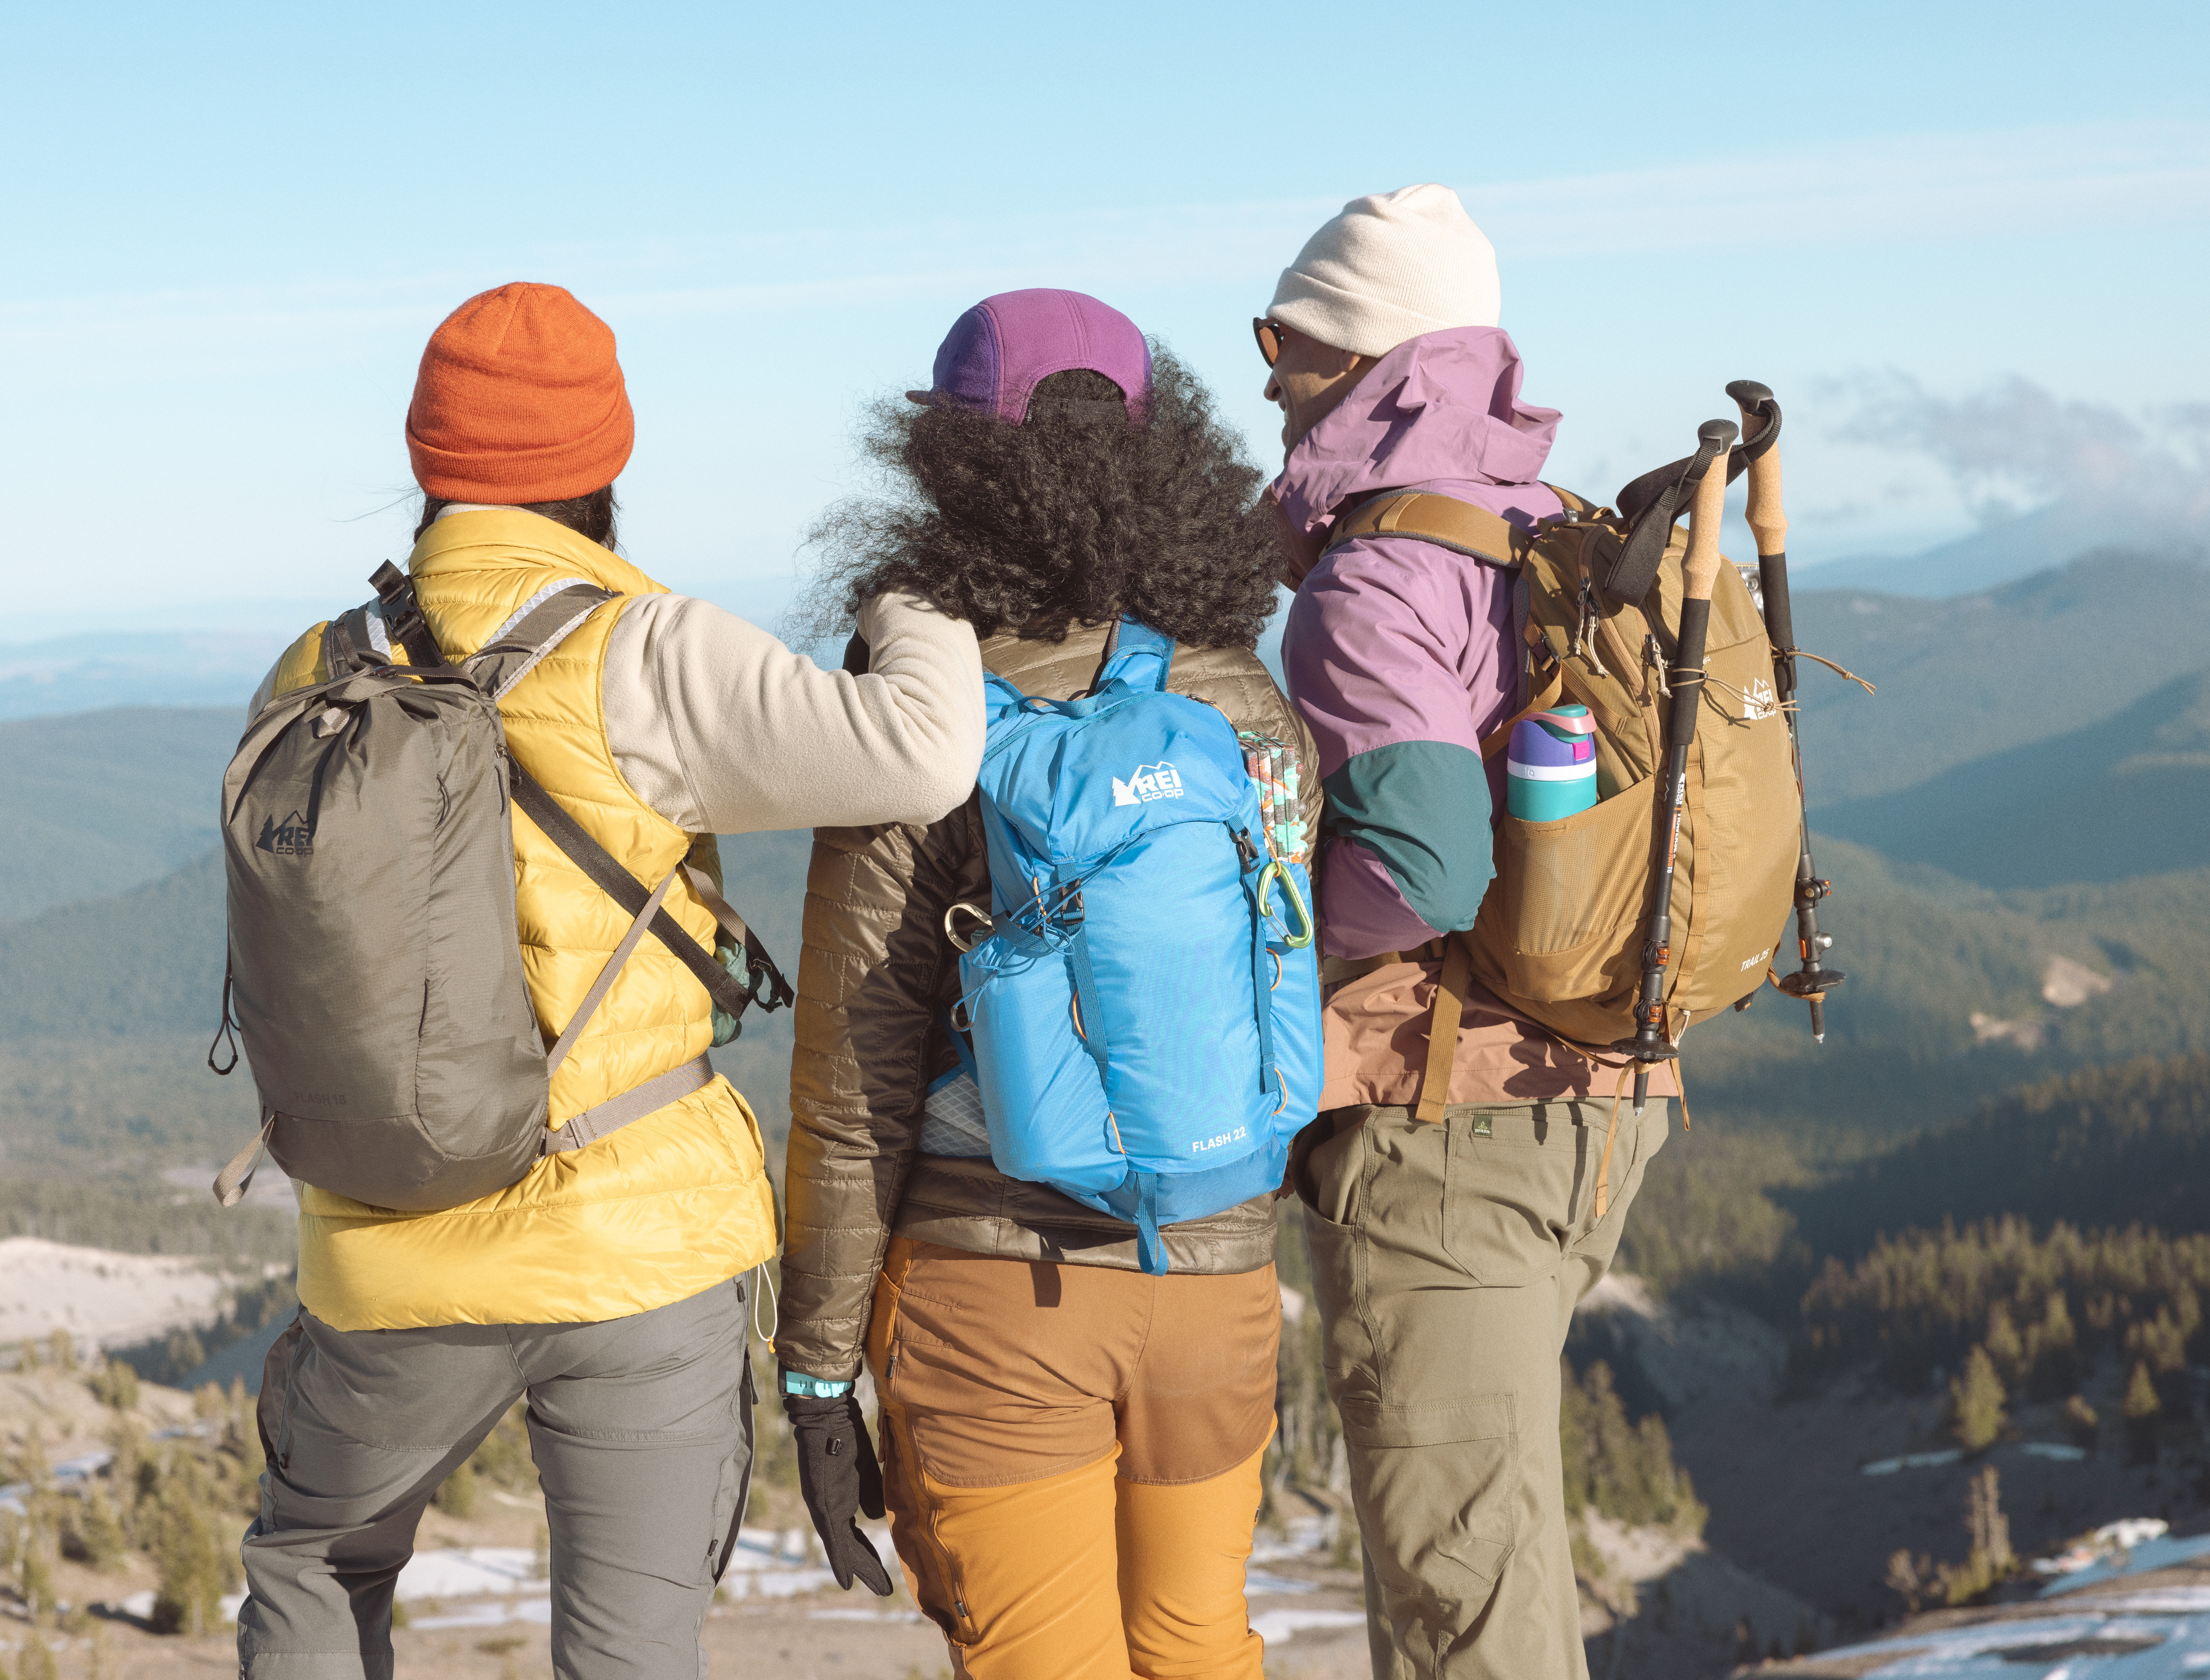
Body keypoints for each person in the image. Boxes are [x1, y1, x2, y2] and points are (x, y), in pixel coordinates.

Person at [233, 282, 984, 1680]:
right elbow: (924, 752)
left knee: (314, 1567)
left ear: (425, 464)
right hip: (635, 1245)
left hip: (380, 1248)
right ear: (603, 465)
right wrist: (914, 586)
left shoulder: (312, 667)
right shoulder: (645, 649)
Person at [774, 288, 1320, 1680]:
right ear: (1162, 457)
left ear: (948, 467)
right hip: (1215, 1274)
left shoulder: (922, 723)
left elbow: (856, 1080)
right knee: (1197, 1650)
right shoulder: (1241, 702)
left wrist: (818, 1369)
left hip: (993, 1299)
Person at [1263, 186, 1672, 1678]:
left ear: (1364, 357)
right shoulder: (1552, 531)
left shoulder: (1373, 577)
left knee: (1462, 1610)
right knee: (1481, 1574)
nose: (1264, 376)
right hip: (1600, 1093)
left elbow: (1423, 865)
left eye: (1283, 337)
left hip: (1448, 1132)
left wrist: (1274, 950)